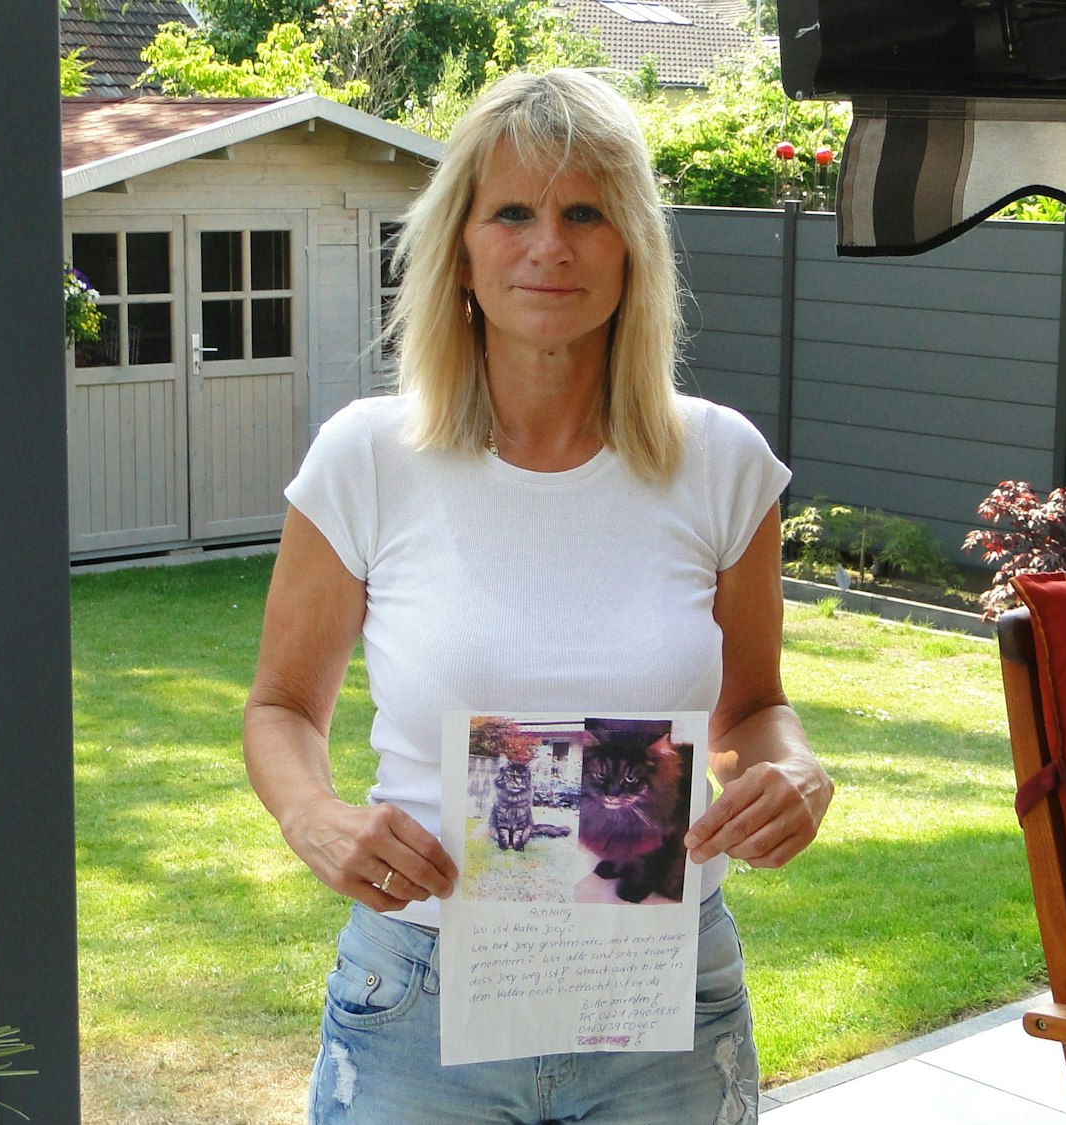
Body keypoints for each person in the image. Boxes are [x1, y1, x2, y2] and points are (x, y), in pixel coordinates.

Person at [242, 67, 833, 1125]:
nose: (547, 245)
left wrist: (789, 774)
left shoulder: (722, 462)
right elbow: (280, 707)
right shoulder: (365, 457)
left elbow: (752, 708)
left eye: (583, 214)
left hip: (661, 998)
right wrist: (315, 819)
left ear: (632, 248)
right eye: (510, 211)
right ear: (459, 249)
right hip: (420, 995)